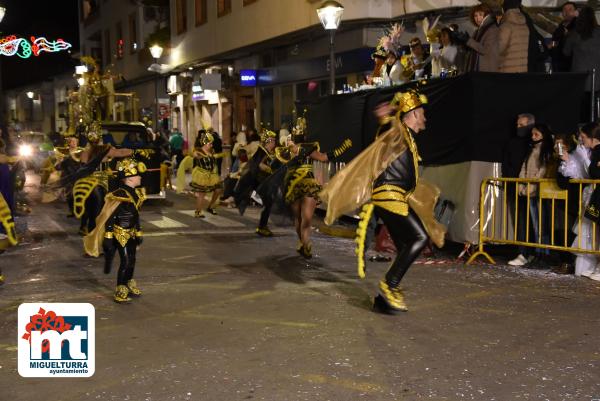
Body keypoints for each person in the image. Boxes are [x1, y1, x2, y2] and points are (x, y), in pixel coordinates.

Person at [320, 89, 446, 313]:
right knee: (419, 238)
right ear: (414, 114)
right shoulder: (398, 132)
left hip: (396, 195)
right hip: (389, 195)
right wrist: (386, 118)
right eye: (422, 113)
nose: (425, 118)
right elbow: (388, 130)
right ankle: (389, 285)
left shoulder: (405, 136)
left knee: (407, 244)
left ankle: (383, 298)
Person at [274, 116, 352, 258]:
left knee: (298, 218)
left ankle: (303, 243)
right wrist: (343, 148)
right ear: (304, 135)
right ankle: (306, 242)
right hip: (307, 184)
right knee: (306, 219)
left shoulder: (285, 150)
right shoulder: (307, 148)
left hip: (292, 185)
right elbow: (324, 158)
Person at [84, 156, 147, 303]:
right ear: (130, 178)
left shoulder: (136, 194)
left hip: (131, 233)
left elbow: (136, 216)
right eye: (137, 175)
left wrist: (138, 232)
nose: (140, 177)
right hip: (120, 233)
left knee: (132, 260)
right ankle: (120, 288)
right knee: (125, 261)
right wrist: (108, 236)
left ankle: (129, 282)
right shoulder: (120, 194)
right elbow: (109, 216)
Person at [509, 123, 555, 266]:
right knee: (534, 224)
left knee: (541, 225)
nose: (533, 137)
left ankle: (544, 254)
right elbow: (524, 167)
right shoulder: (531, 149)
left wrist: (532, 185)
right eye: (532, 134)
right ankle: (536, 253)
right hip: (529, 190)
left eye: (536, 134)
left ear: (543, 136)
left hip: (539, 192)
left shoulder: (546, 150)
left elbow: (542, 170)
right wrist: (522, 184)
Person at [558, 123, 596, 276]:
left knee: (594, 230)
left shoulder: (592, 151)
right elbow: (577, 173)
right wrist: (567, 160)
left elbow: (591, 171)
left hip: (594, 192)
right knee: (586, 230)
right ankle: (586, 267)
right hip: (588, 194)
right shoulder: (580, 151)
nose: (580, 138)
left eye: (583, 136)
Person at [234, 128, 278, 236]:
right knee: (268, 203)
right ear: (268, 141)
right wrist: (270, 169)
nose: (274, 143)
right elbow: (258, 165)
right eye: (273, 140)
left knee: (268, 203)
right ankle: (262, 227)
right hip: (258, 183)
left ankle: (262, 226)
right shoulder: (262, 151)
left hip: (261, 183)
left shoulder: (265, 151)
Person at [563, 6, 600, 122]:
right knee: (594, 112)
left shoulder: (574, 34)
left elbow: (565, 52)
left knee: (580, 113)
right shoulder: (599, 32)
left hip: (579, 79)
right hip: (597, 79)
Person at [176, 131, 226, 218]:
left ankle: (210, 206)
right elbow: (192, 155)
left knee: (218, 190)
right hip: (201, 175)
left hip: (211, 175)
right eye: (210, 143)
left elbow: (213, 160)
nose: (212, 145)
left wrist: (220, 155)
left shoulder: (212, 151)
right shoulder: (198, 151)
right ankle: (198, 212)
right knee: (202, 194)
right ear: (205, 143)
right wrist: (193, 154)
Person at [465, 3, 500, 72]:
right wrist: (464, 43)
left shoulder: (492, 29)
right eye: (475, 16)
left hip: (487, 70)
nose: (478, 18)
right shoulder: (477, 31)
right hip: (477, 70)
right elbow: (473, 48)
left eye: (480, 14)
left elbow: (485, 50)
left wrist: (468, 40)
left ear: (487, 14)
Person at [498, 0, 529, 73]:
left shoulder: (506, 26)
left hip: (507, 71)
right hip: (522, 70)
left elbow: (499, 50)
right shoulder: (524, 25)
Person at [550, 1, 578, 72]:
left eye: (570, 9)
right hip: (557, 65)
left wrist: (568, 35)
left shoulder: (578, 27)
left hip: (570, 66)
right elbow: (554, 42)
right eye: (564, 10)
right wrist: (552, 45)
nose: (567, 12)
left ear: (575, 12)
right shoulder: (560, 27)